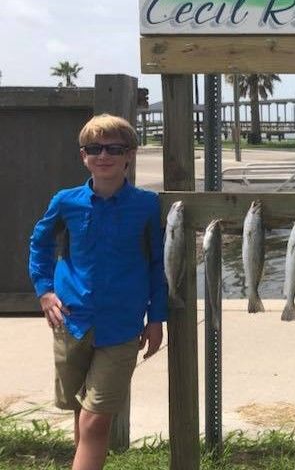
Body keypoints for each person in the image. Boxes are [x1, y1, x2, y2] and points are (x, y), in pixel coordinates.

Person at [29, 114, 167, 470]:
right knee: (81, 409)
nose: (103, 155)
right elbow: (39, 243)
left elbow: (157, 264)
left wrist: (157, 318)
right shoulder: (66, 201)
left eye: (113, 148)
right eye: (94, 149)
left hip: (122, 327)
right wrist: (45, 292)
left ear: (129, 155)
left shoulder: (147, 206)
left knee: (97, 418)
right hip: (72, 321)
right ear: (83, 156)